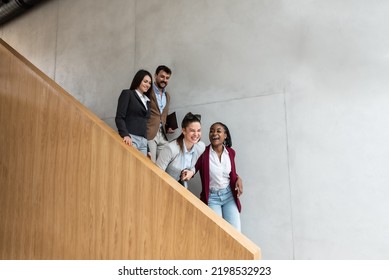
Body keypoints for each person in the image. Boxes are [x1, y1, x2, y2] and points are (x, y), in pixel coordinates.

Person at [194, 122, 243, 232]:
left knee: (236, 233)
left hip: (229, 196)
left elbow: (230, 173)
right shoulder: (203, 153)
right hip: (212, 198)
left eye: (218, 131)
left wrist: (238, 178)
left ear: (225, 135)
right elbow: (193, 169)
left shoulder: (230, 152)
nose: (214, 133)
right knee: (217, 232)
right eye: (211, 131)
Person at [156, 112, 205, 188]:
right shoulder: (171, 148)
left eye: (198, 130)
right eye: (192, 130)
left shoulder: (200, 147)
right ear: (184, 131)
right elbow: (157, 174)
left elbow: (196, 165)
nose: (196, 134)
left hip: (179, 186)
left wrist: (191, 172)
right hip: (162, 185)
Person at [115, 69, 152, 156]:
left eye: (150, 83)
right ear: (138, 80)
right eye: (145, 81)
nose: (148, 85)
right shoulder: (128, 94)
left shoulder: (147, 101)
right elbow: (119, 117)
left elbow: (144, 124)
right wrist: (125, 135)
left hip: (143, 142)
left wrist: (147, 147)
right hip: (131, 138)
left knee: (141, 169)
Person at [146, 65, 175, 162]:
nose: (164, 80)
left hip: (163, 135)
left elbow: (163, 115)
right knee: (151, 164)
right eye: (162, 76)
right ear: (155, 76)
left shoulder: (168, 96)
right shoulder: (147, 91)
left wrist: (168, 127)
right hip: (150, 133)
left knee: (163, 165)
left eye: (167, 78)